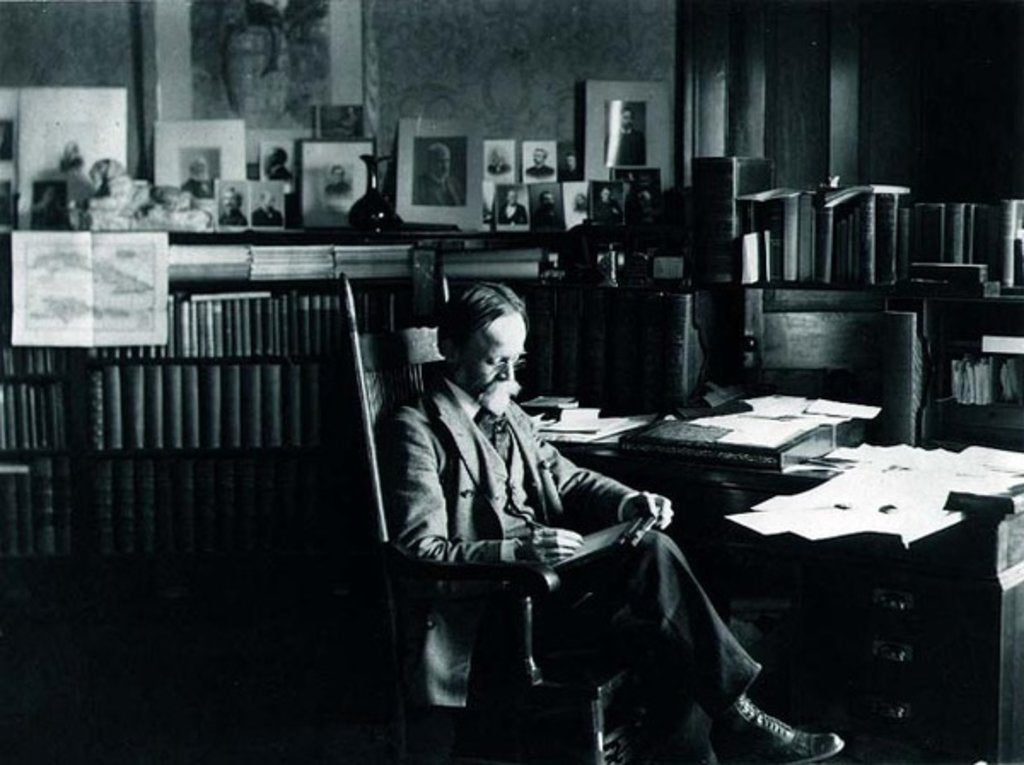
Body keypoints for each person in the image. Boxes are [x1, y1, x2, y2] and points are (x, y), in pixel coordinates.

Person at [379, 283, 844, 765]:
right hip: (493, 617)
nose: (511, 376)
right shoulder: (414, 431)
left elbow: (570, 476)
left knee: (661, 578)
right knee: (655, 563)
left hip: (548, 593)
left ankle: (725, 727)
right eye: (496, 361)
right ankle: (737, 722)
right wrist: (516, 553)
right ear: (449, 349)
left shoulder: (506, 409)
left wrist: (629, 502)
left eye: (517, 360)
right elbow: (419, 554)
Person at [413, 142, 465, 206]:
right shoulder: (419, 185)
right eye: (440, 161)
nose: (445, 166)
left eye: (447, 161)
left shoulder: (454, 183)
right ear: (430, 162)